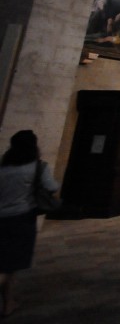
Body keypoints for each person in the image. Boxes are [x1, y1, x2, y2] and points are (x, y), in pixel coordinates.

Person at [0, 130, 59, 317]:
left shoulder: (3, 168)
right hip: (21, 218)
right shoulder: (37, 167)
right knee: (10, 265)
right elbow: (52, 187)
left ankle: (8, 302)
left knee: (7, 263)